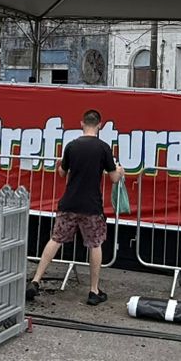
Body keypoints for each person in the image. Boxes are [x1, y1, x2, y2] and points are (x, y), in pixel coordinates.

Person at [28, 109, 124, 306]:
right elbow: (114, 178)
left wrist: (58, 165)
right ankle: (93, 290)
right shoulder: (103, 148)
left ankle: (35, 281)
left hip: (69, 203)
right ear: (99, 125)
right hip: (91, 206)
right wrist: (120, 171)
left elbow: (62, 172)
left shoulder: (72, 146)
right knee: (95, 244)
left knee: (55, 239)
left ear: (82, 124)